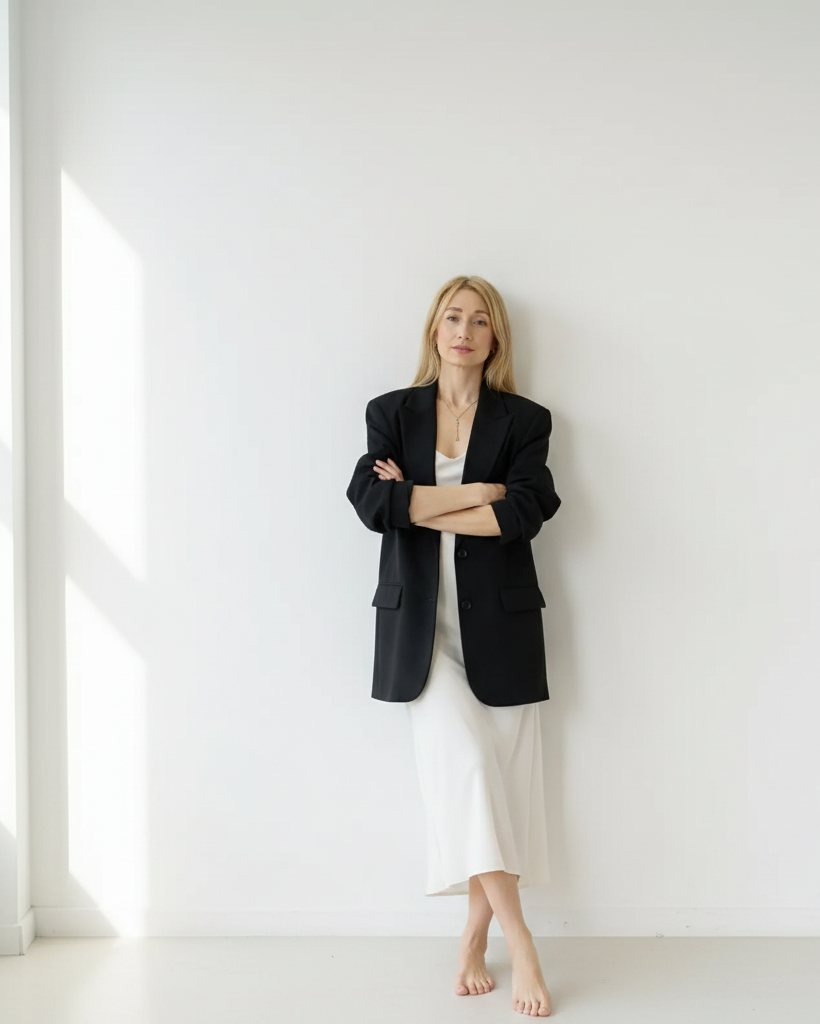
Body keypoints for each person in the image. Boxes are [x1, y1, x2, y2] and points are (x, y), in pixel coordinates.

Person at [345, 275, 562, 1016]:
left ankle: (473, 937)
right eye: (451, 318)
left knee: (495, 790)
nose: (463, 332)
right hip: (420, 632)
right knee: (467, 771)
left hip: (501, 628)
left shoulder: (525, 420)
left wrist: (420, 502)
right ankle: (522, 943)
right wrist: (480, 492)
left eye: (478, 321)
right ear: (434, 329)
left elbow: (526, 513)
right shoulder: (390, 412)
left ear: (495, 336)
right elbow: (373, 503)